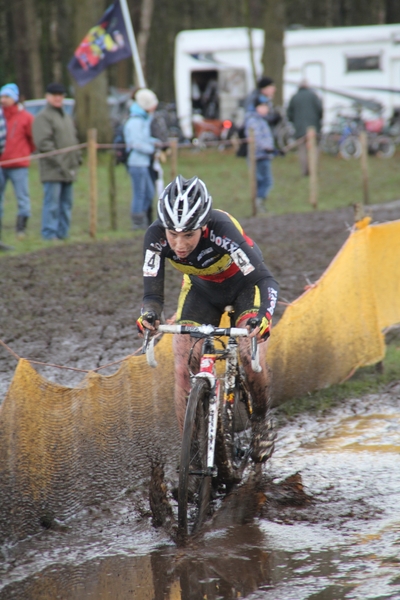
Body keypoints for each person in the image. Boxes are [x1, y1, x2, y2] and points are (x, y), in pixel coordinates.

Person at [136, 175, 279, 463]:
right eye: (173, 235)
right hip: (201, 289)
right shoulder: (154, 236)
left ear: (203, 226)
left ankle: (261, 422)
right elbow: (152, 293)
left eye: (188, 235)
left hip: (244, 287)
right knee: (181, 366)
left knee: (249, 356)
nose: (179, 244)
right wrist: (149, 315)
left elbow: (265, 279)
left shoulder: (222, 230)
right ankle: (190, 456)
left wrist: (263, 316)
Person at [32, 82, 81, 240]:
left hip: (68, 168)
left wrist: (76, 159)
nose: (58, 98)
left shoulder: (66, 116)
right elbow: (44, 144)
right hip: (53, 170)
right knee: (52, 204)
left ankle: (63, 233)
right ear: (47, 97)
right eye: (54, 95)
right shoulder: (43, 117)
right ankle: (49, 234)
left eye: (60, 95)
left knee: (66, 204)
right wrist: (61, 164)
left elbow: (73, 139)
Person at [0, 83, 35, 239]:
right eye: (1, 96)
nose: (3, 99)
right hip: (1, 164)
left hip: (19, 164)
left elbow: (33, 139)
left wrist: (24, 153)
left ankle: (21, 229)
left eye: (7, 96)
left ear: (14, 98)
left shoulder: (26, 117)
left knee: (22, 197)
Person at [124, 88, 160, 230]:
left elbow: (143, 139)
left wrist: (154, 141)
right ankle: (137, 223)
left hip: (143, 162)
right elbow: (136, 143)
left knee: (149, 192)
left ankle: (143, 220)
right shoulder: (135, 122)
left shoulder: (143, 120)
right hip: (136, 163)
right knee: (139, 194)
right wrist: (152, 148)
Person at [245, 99, 276, 213]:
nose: (266, 109)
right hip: (258, 156)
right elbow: (257, 138)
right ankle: (259, 204)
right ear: (257, 107)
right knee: (264, 181)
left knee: (265, 181)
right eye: (263, 106)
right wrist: (268, 148)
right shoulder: (254, 121)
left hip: (264, 156)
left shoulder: (262, 120)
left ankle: (260, 204)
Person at [287, 80, 323, 176]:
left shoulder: (294, 97)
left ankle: (304, 171)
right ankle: (313, 170)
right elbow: (320, 110)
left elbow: (289, 113)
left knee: (302, 150)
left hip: (300, 129)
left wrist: (294, 122)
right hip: (314, 127)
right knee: (314, 149)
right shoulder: (314, 96)